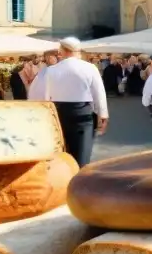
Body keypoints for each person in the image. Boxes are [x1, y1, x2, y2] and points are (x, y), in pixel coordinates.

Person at [28, 37, 108, 167]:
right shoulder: (90, 68)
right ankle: (78, 178)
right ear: (78, 51)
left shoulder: (50, 70)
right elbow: (98, 93)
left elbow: (38, 94)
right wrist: (103, 114)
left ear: (62, 51)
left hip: (58, 113)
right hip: (83, 113)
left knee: (61, 151)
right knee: (82, 154)